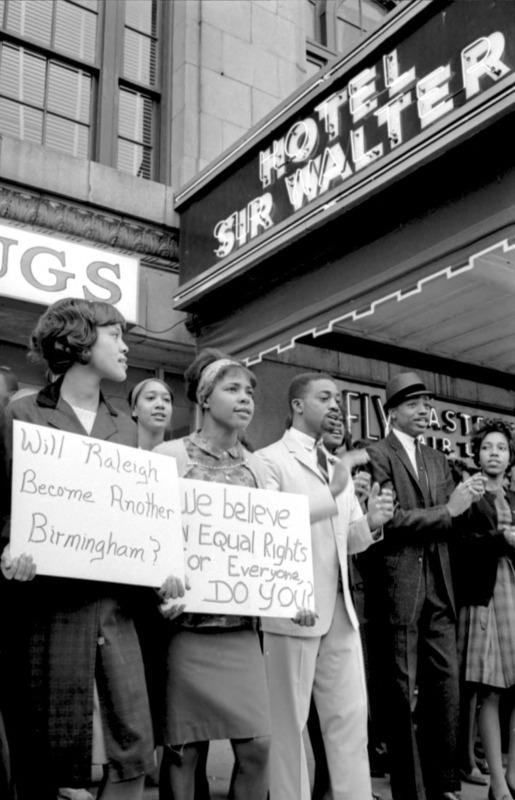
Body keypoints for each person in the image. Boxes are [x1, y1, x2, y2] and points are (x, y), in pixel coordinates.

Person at [0, 297, 185, 800]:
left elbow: (135, 524)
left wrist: (162, 573)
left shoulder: (126, 428)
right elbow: (0, 511)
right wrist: (6, 551)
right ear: (80, 341)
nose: (126, 347)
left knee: (129, 761)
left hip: (117, 617)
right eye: (115, 334)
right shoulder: (21, 415)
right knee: (52, 770)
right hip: (49, 619)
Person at [256, 372, 394, 800]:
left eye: (338, 398)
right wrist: (334, 491)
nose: (336, 405)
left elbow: (348, 539)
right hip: (293, 606)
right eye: (325, 397)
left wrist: (371, 521)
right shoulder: (267, 460)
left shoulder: (337, 466)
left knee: (350, 720)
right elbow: (270, 526)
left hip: (341, 608)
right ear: (298, 405)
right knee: (288, 724)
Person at [154, 349, 271, 800]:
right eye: (232, 388)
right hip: (186, 631)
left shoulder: (258, 468)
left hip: (240, 632)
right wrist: (160, 582)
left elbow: (272, 547)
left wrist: (291, 592)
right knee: (184, 753)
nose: (246, 399)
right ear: (204, 398)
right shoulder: (169, 455)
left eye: (249, 392)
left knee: (258, 745)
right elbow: (149, 536)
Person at [367, 371, 486, 800]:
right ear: (393, 410)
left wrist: (473, 499)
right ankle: (409, 789)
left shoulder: (438, 459)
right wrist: (448, 510)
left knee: (446, 689)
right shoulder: (375, 454)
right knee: (400, 697)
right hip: (399, 588)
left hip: (440, 587)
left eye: (427, 402)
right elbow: (389, 521)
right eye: (414, 403)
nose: (424, 410)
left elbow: (457, 519)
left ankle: (444, 784)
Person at [456, 418, 515, 800]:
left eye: (501, 448)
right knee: (489, 690)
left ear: (511, 458)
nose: (494, 453)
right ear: (476, 454)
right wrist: (502, 538)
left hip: (514, 593)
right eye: (487, 447)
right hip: (484, 595)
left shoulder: (514, 497)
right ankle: (497, 781)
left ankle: (513, 773)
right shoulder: (467, 494)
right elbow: (458, 548)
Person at [129, 378, 174, 451]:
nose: (160, 404)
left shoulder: (179, 456)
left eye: (166, 399)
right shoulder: (118, 453)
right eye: (151, 398)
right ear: (134, 409)